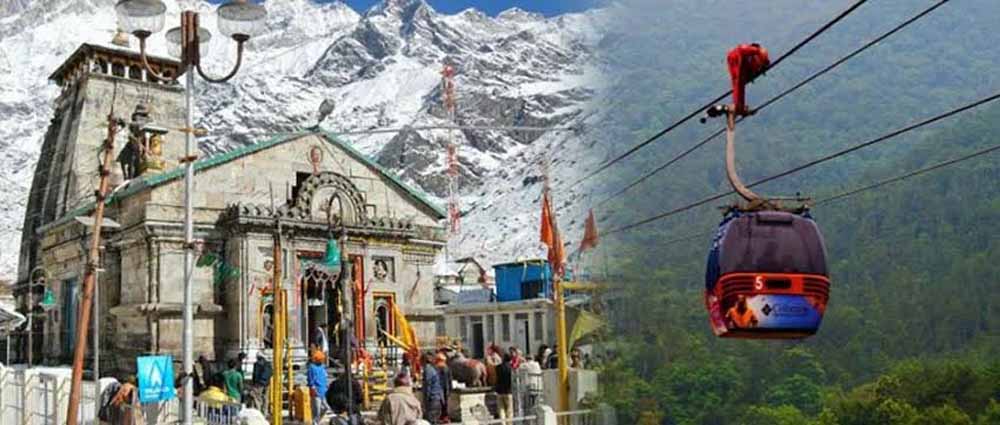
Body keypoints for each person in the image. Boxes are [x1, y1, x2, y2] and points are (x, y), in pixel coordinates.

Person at [307, 350, 330, 424]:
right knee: (316, 410)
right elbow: (310, 380)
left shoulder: (322, 367)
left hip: (323, 390)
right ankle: (315, 422)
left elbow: (325, 377)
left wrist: (327, 386)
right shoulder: (312, 367)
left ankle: (316, 421)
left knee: (326, 407)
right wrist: (313, 389)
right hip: (316, 391)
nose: (322, 361)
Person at [421, 353, 444, 423]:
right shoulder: (432, 369)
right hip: (437, 398)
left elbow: (428, 386)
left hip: (432, 399)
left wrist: (426, 400)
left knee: (431, 420)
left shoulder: (427, 370)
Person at [494, 353, 514, 424]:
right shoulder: (511, 368)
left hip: (499, 391)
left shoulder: (498, 367)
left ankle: (503, 423)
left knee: (501, 410)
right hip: (508, 391)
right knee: (509, 410)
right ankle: (509, 423)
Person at [434, 353, 452, 422]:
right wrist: (450, 388)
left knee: (441, 403)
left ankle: (442, 417)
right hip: (446, 388)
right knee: (445, 403)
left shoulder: (436, 368)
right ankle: (445, 417)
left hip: (439, 388)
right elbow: (450, 379)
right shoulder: (447, 368)